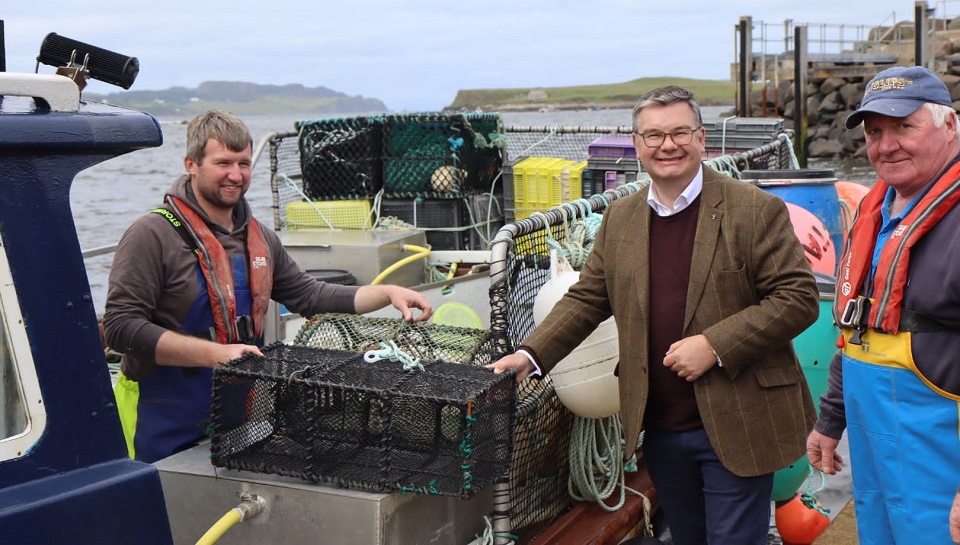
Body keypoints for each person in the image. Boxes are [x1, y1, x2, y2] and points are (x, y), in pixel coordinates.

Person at [489, 85, 819, 545]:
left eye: (680, 132)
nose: (668, 145)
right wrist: (529, 355)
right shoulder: (621, 218)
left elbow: (798, 297)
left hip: (739, 421)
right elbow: (587, 299)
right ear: (638, 145)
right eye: (654, 136)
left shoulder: (754, 209)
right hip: (661, 429)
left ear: (702, 139)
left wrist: (714, 345)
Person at [103, 109, 432, 463]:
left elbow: (309, 294)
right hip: (158, 416)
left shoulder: (260, 237)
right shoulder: (151, 234)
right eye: (223, 163)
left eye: (244, 163)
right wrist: (217, 355)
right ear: (191, 164)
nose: (235, 175)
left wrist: (386, 293)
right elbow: (121, 329)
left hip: (234, 411)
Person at [805, 66, 960, 544]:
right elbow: (859, 328)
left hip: (941, 464)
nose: (886, 145)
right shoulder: (880, 211)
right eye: (875, 132)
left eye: (904, 127)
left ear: (950, 125)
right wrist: (830, 420)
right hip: (877, 449)